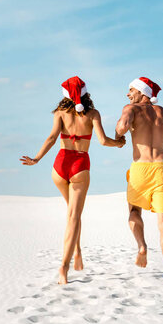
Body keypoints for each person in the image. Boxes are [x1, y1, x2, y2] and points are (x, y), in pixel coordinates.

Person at [21, 76, 125, 284]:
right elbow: (103, 141)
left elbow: (51, 138)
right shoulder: (93, 114)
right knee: (74, 217)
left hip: (59, 166)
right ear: (85, 93)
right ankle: (64, 267)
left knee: (71, 214)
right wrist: (119, 143)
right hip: (79, 166)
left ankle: (77, 251)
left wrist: (36, 159)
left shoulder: (60, 114)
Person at [114, 77, 163, 281]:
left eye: (131, 89)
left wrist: (119, 132)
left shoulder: (131, 108)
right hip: (162, 168)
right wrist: (159, 148)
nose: (128, 94)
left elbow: (122, 128)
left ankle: (142, 246)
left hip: (140, 169)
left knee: (134, 212)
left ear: (142, 92)